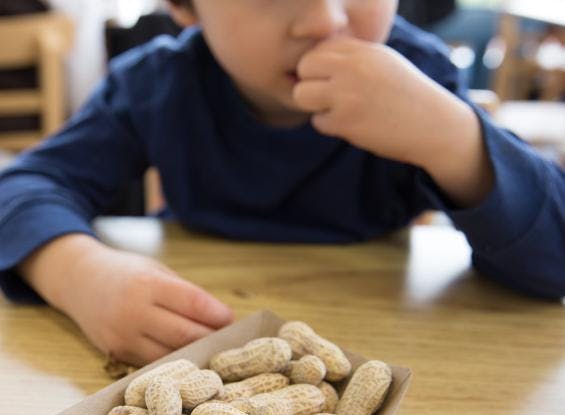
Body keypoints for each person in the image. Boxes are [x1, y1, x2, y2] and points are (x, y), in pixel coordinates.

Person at [0, 0, 563, 367]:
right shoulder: (154, 85)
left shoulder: (423, 80)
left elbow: (553, 259)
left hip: (394, 360)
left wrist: (454, 142)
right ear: (183, 6)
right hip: (199, 349)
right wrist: (79, 274)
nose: (323, 20)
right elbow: (23, 186)